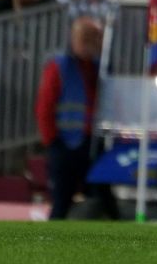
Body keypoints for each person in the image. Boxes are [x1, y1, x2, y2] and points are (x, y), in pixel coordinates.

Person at [34, 16, 117, 220]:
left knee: (103, 195)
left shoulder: (101, 68)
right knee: (62, 199)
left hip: (93, 142)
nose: (92, 43)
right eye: (87, 38)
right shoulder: (59, 67)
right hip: (65, 144)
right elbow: (44, 107)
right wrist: (53, 141)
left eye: (96, 38)